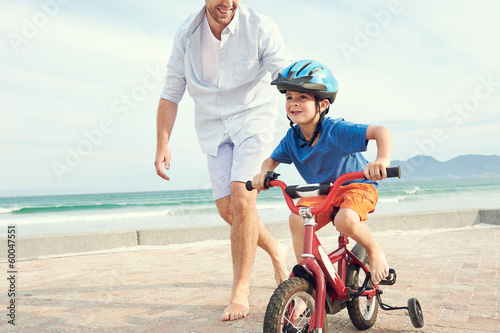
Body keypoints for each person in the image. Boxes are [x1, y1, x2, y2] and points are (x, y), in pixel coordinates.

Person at [154, 0, 293, 321]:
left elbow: (283, 71)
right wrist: (163, 143)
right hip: (213, 127)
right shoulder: (187, 35)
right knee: (228, 210)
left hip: (253, 119)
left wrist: (306, 99)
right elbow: (171, 92)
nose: (226, 3)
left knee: (243, 198)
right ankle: (276, 249)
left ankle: (240, 292)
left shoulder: (260, 26)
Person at [252, 60, 392, 285]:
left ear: (323, 104)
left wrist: (382, 160)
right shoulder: (292, 139)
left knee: (345, 221)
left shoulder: (336, 130)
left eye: (302, 98)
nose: (293, 103)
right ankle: (307, 275)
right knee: (297, 218)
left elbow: (380, 131)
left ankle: (374, 251)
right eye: (289, 97)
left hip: (357, 187)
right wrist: (263, 173)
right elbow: (271, 161)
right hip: (325, 191)